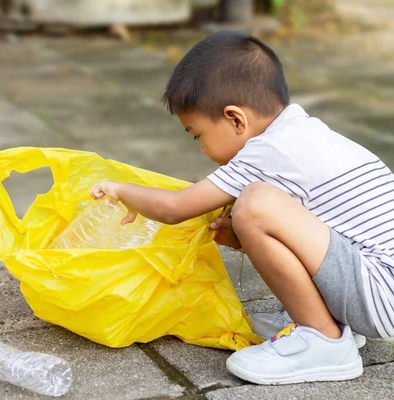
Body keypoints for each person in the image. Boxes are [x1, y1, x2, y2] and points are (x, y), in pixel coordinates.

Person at [90, 30, 394, 385]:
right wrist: (244, 236)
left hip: (379, 292)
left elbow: (174, 208)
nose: (200, 149)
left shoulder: (270, 150)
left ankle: (323, 339)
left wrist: (121, 189)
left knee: (254, 202)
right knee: (253, 207)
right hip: (377, 284)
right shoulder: (305, 135)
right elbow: (311, 234)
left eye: (197, 135)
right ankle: (322, 318)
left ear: (236, 119)